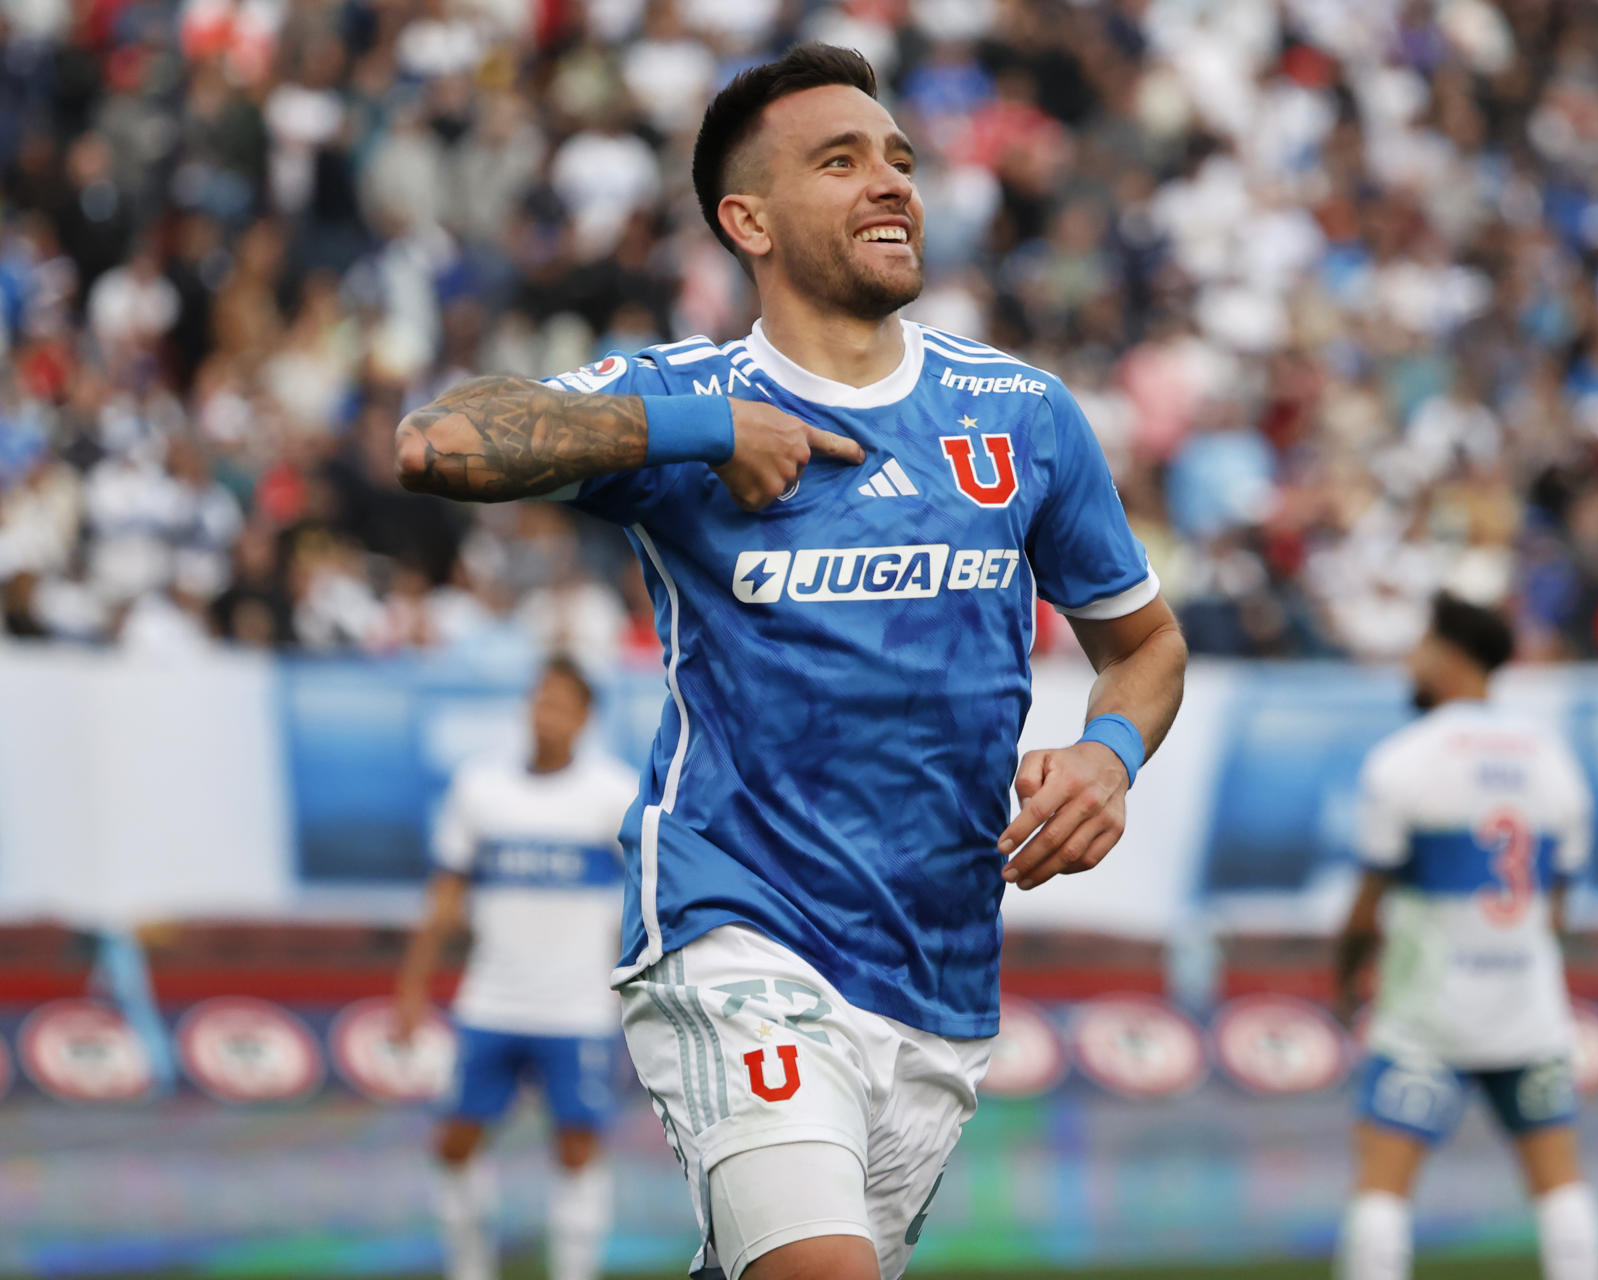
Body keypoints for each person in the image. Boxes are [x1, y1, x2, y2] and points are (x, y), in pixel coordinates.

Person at [392, 44, 1187, 1280]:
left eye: (900, 160)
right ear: (745, 219)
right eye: (842, 160)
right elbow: (439, 442)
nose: (891, 183)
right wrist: (701, 430)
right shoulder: (687, 394)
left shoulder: (1020, 414)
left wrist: (1109, 751)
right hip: (737, 927)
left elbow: (1143, 646)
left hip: (937, 967)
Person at [1332, 594, 1598, 1280]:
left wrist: (1345, 981)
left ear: (1450, 656)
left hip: (1429, 1010)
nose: (1413, 661)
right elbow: (1558, 909)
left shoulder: (1404, 761)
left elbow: (1368, 908)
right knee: (1561, 1183)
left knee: (1383, 1184)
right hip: (1528, 1008)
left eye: (1422, 647)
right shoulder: (1553, 760)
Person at [394, 656, 641, 1280]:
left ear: (585, 717)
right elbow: (446, 895)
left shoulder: (613, 794)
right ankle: (470, 1267)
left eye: (560, 702)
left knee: (578, 1149)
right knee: (454, 1144)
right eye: (538, 698)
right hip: (491, 1002)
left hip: (577, 1008)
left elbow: (648, 898)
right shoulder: (481, 789)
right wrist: (412, 987)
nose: (545, 712)